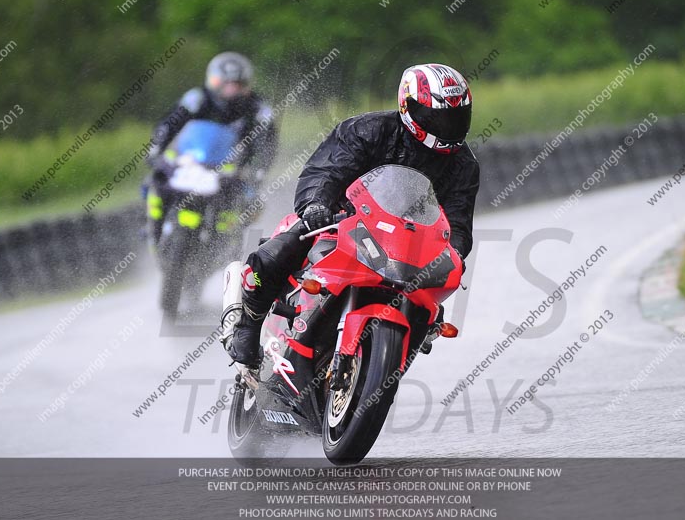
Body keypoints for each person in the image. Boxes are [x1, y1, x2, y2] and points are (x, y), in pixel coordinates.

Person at [225, 63, 479, 376]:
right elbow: (327, 170)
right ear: (407, 105)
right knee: (293, 236)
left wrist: (454, 252)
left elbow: (458, 221)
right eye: (437, 115)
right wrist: (316, 204)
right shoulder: (369, 130)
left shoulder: (464, 165)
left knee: (430, 313)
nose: (447, 125)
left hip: (407, 245)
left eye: (456, 116)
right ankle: (249, 324)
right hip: (345, 221)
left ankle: (380, 366)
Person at [145, 52, 278, 245]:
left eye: (236, 84)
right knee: (156, 182)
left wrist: (257, 170)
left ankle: (229, 248)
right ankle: (154, 230)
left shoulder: (258, 109)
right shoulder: (196, 99)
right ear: (213, 80)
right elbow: (168, 125)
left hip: (232, 171)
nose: (230, 90)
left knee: (250, 203)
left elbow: (268, 144)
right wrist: (156, 150)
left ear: (245, 85)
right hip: (190, 162)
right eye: (225, 83)